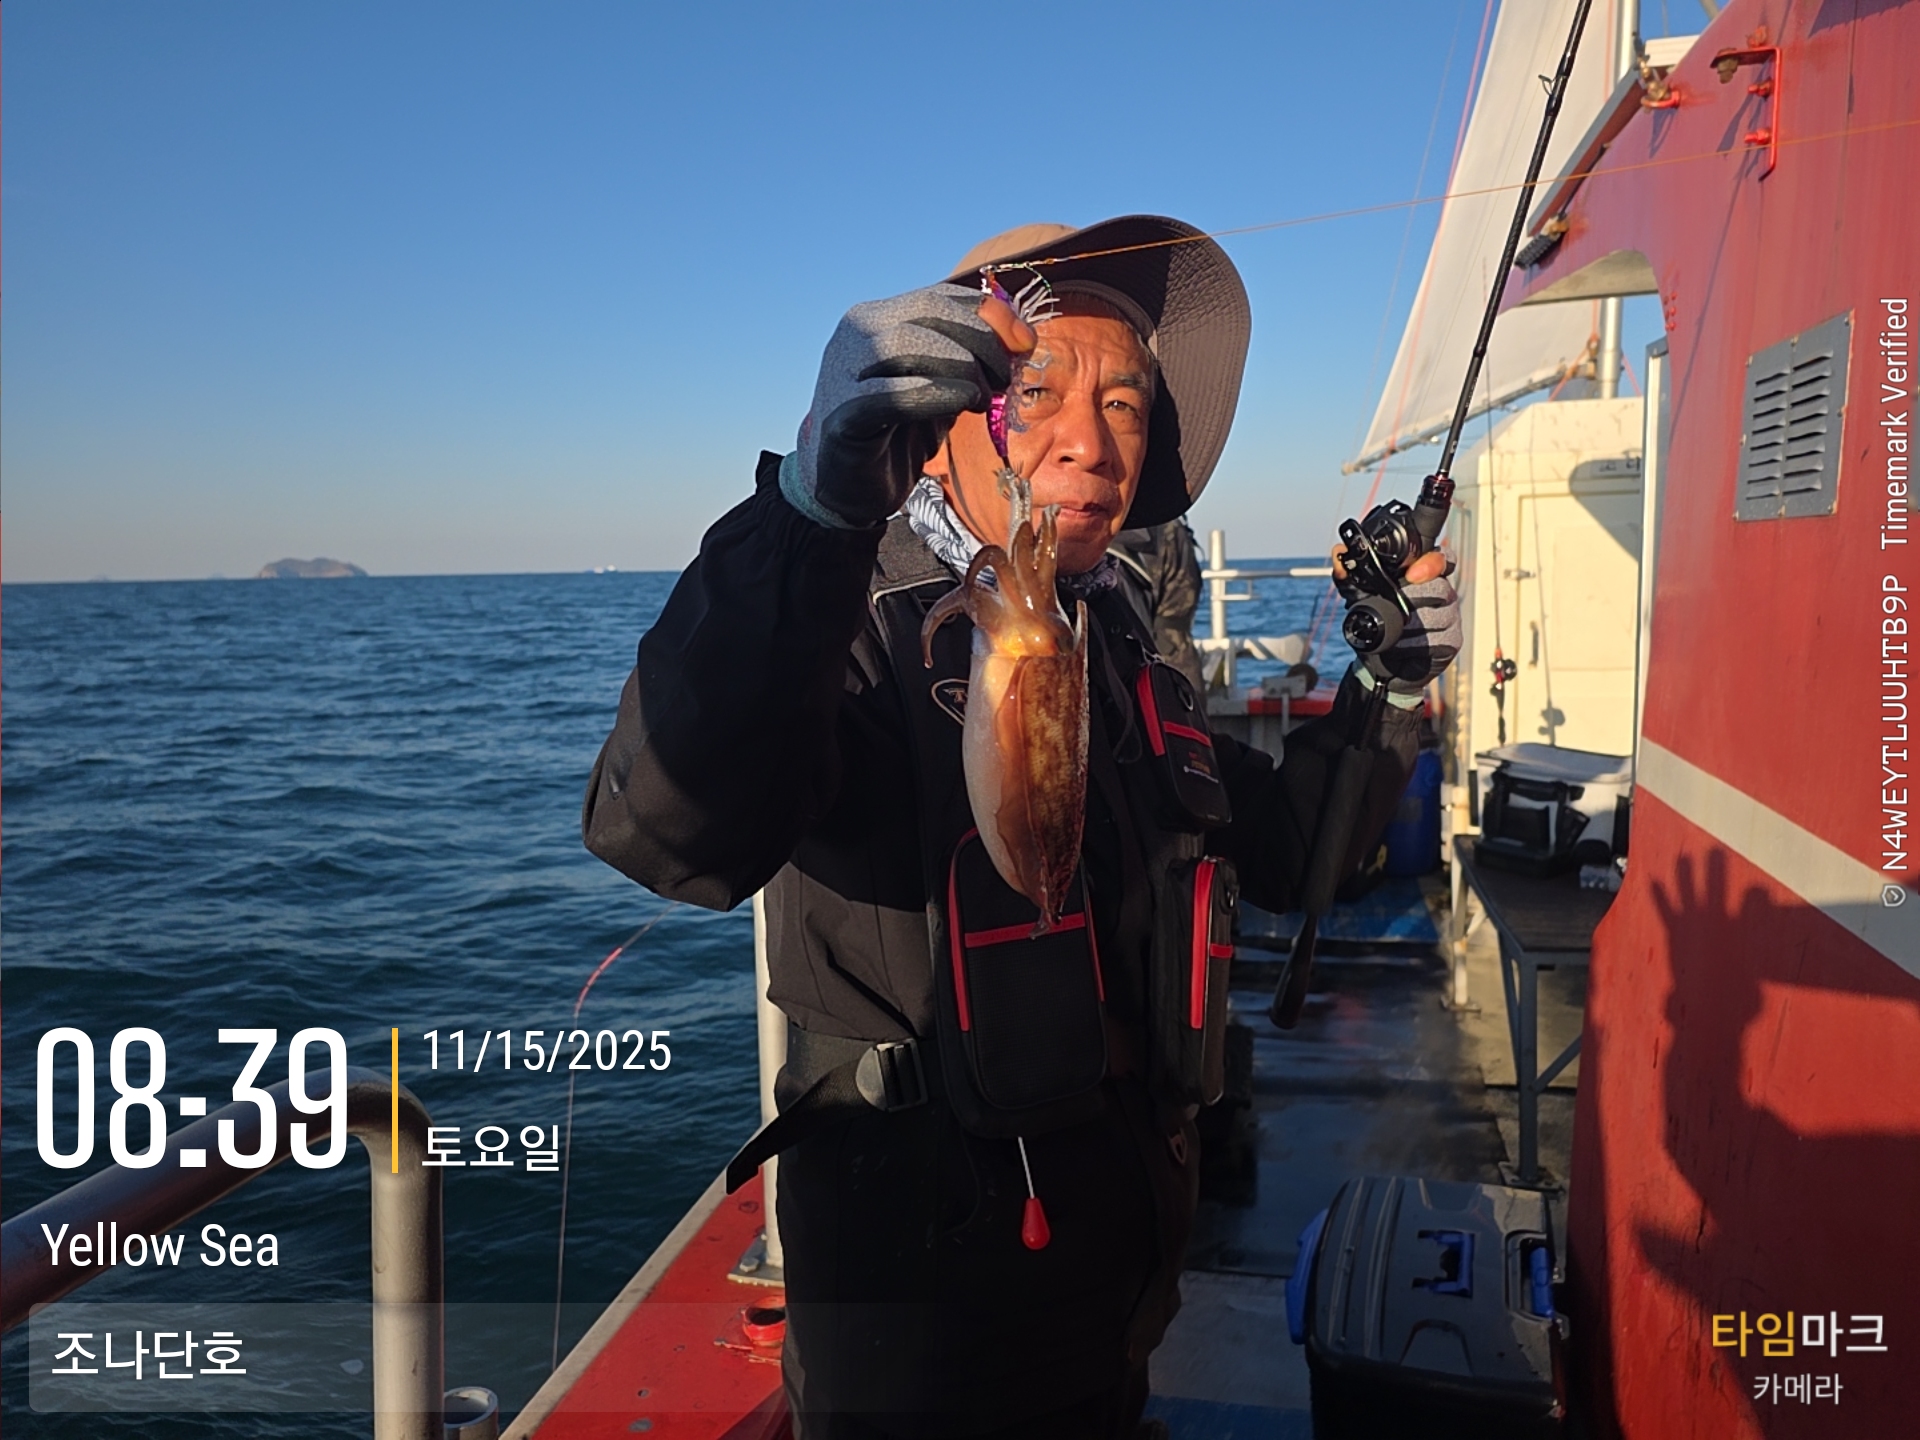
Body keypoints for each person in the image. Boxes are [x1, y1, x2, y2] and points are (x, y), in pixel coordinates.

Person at [582, 216, 1458, 1439]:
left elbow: (1293, 852)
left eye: (1127, 403)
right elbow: (667, 829)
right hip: (921, 1322)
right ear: (943, 422)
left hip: (1123, 1287)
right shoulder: (850, 621)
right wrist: (809, 514)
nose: (1090, 442)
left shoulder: (1129, 651)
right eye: (1036, 390)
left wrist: (1388, 691)